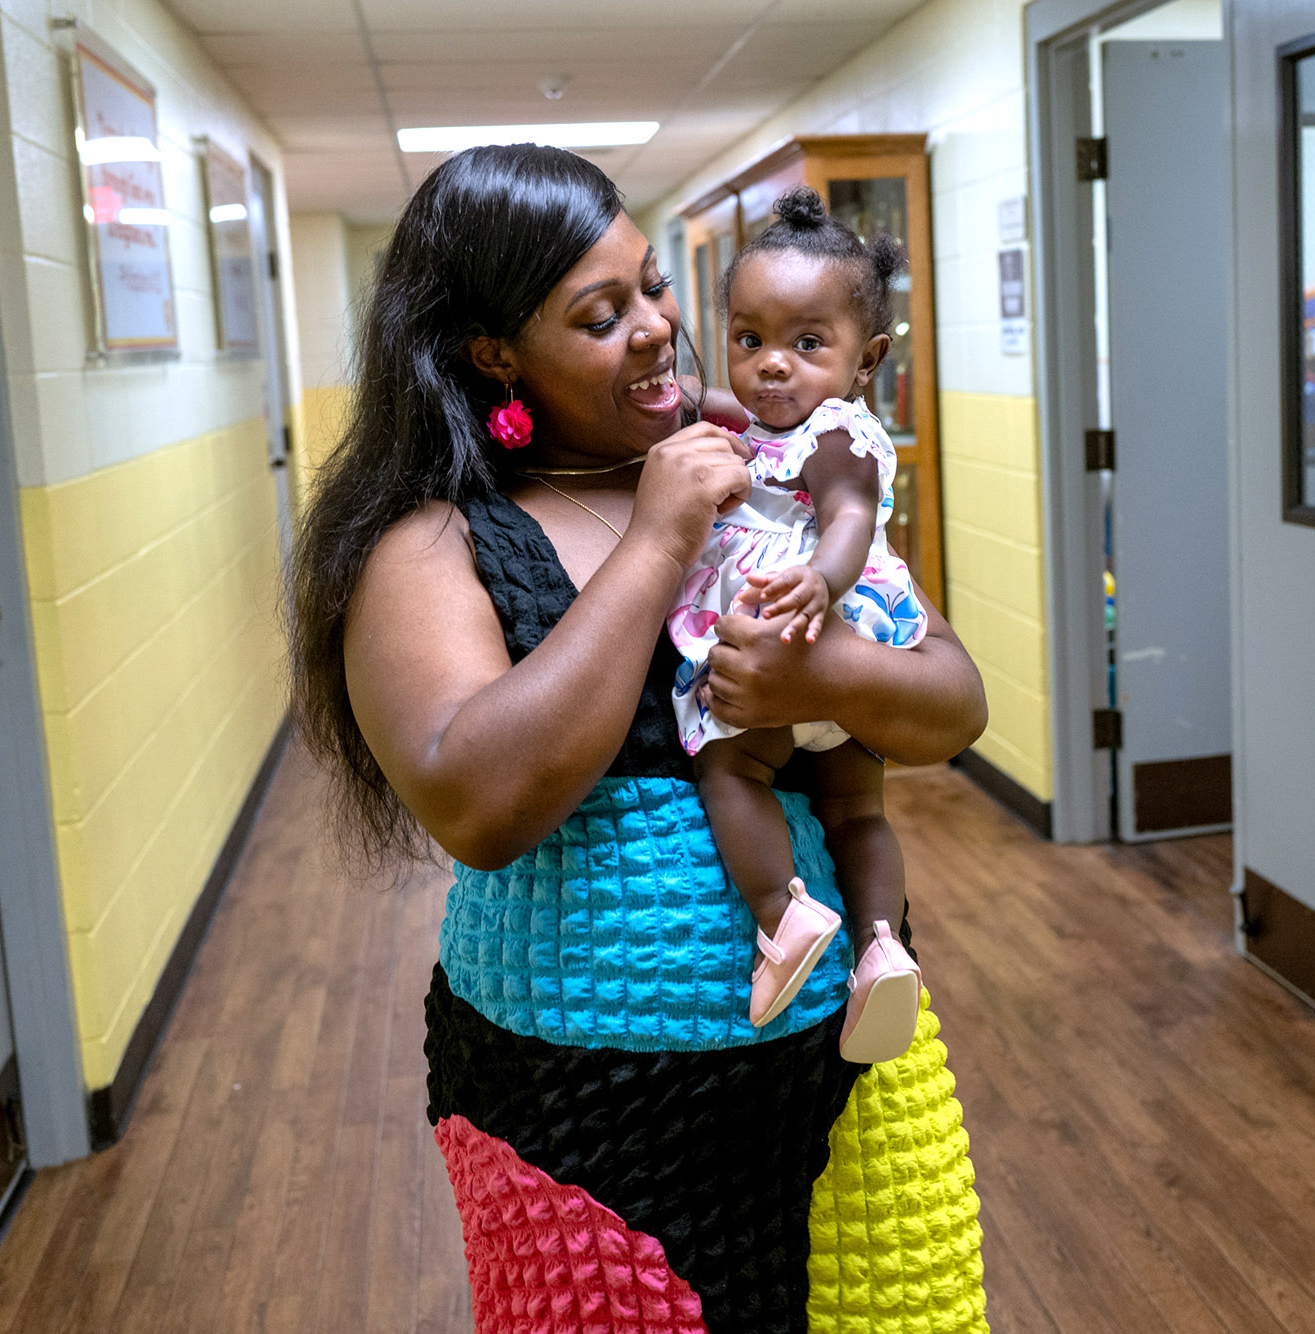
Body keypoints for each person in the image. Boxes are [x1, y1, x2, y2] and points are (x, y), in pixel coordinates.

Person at [289, 143, 989, 1329]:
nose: (659, 327)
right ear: (492, 352)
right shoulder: (429, 543)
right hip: (587, 1115)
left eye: (654, 286)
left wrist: (828, 671)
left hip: (841, 1074)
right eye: (601, 314)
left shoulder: (760, 457)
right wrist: (656, 538)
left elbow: (951, 699)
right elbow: (479, 802)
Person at [669, 188, 925, 1064]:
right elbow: (709, 401)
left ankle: (783, 913)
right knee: (854, 806)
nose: (772, 365)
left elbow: (851, 516)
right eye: (751, 340)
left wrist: (819, 579)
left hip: (799, 628)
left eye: (807, 344)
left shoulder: (841, 438)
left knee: (731, 765)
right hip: (833, 646)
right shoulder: (768, 421)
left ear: (868, 361)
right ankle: (879, 949)